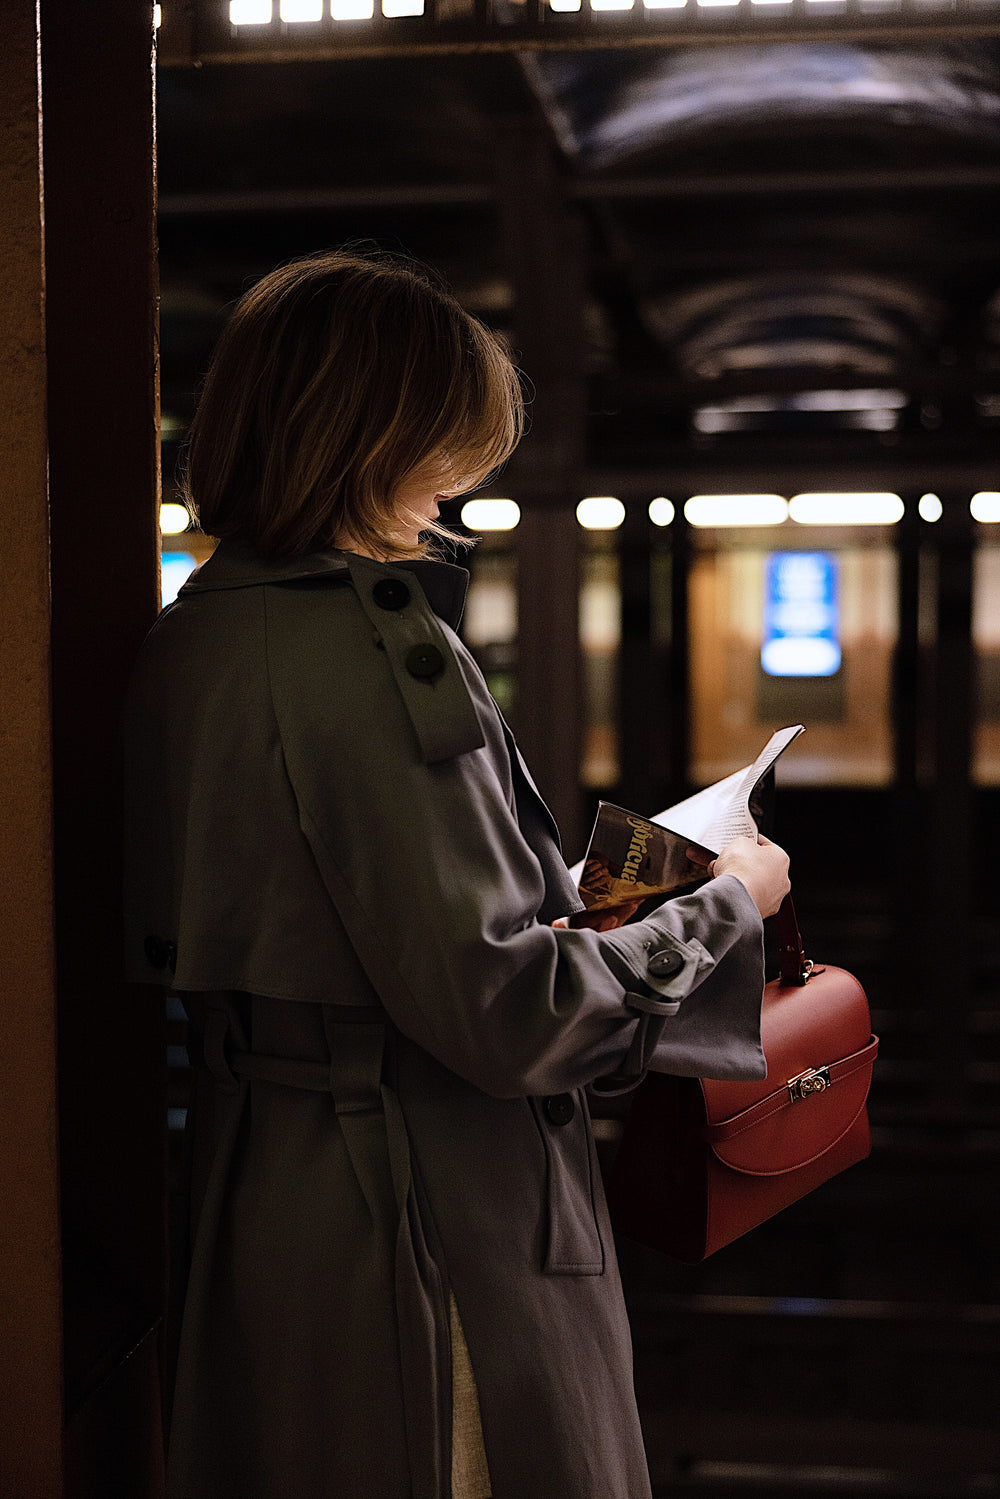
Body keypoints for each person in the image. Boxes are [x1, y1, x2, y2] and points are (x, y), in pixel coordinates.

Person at [123, 249, 790, 1499]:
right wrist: (722, 903)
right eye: (449, 444)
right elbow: (505, 1011)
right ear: (382, 438)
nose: (457, 485)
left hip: (266, 1191)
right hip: (427, 1221)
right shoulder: (370, 651)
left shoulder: (194, 631)